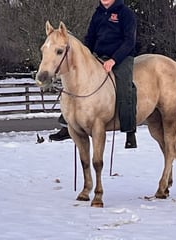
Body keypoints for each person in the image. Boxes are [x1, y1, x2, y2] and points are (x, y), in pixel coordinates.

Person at [49, 0, 137, 149]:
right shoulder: (98, 13)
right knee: (75, 81)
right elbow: (90, 38)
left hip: (121, 58)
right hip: (98, 55)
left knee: (125, 86)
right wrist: (84, 55)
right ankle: (67, 124)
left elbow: (129, 41)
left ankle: (129, 130)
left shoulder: (125, 13)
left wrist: (114, 60)